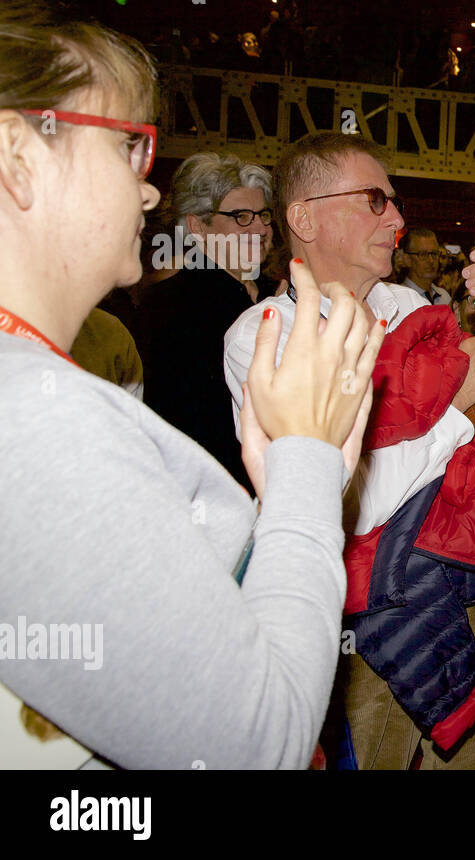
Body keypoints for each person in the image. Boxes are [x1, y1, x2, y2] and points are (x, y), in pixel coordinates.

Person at [0, 2, 382, 768]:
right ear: (19, 156)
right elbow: (256, 744)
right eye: (130, 149)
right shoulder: (37, 421)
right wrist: (306, 461)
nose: (149, 192)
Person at [223, 132, 475, 771]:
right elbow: (339, 501)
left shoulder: (412, 307)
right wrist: (458, 414)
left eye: (393, 202)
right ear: (304, 217)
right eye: (374, 201)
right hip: (370, 625)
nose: (397, 220)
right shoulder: (265, 336)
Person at [135, 152, 275, 491]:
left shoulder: (281, 295)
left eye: (263, 215)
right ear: (197, 226)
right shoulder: (169, 307)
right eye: (241, 216)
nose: (259, 228)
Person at [396, 225, 452, 305]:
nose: (431, 260)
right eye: (423, 254)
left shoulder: (444, 297)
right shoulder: (399, 299)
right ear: (407, 259)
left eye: (434, 253)